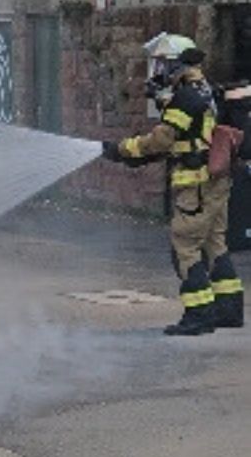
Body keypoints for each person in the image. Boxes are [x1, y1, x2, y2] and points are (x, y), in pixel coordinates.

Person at [102, 33, 244, 335]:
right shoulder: (204, 90)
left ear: (178, 64)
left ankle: (199, 315)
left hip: (196, 187)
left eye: (163, 64)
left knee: (185, 248)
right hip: (214, 183)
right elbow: (189, 133)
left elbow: (161, 140)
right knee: (214, 243)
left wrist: (122, 149)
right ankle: (229, 309)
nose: (158, 71)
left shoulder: (185, 98)